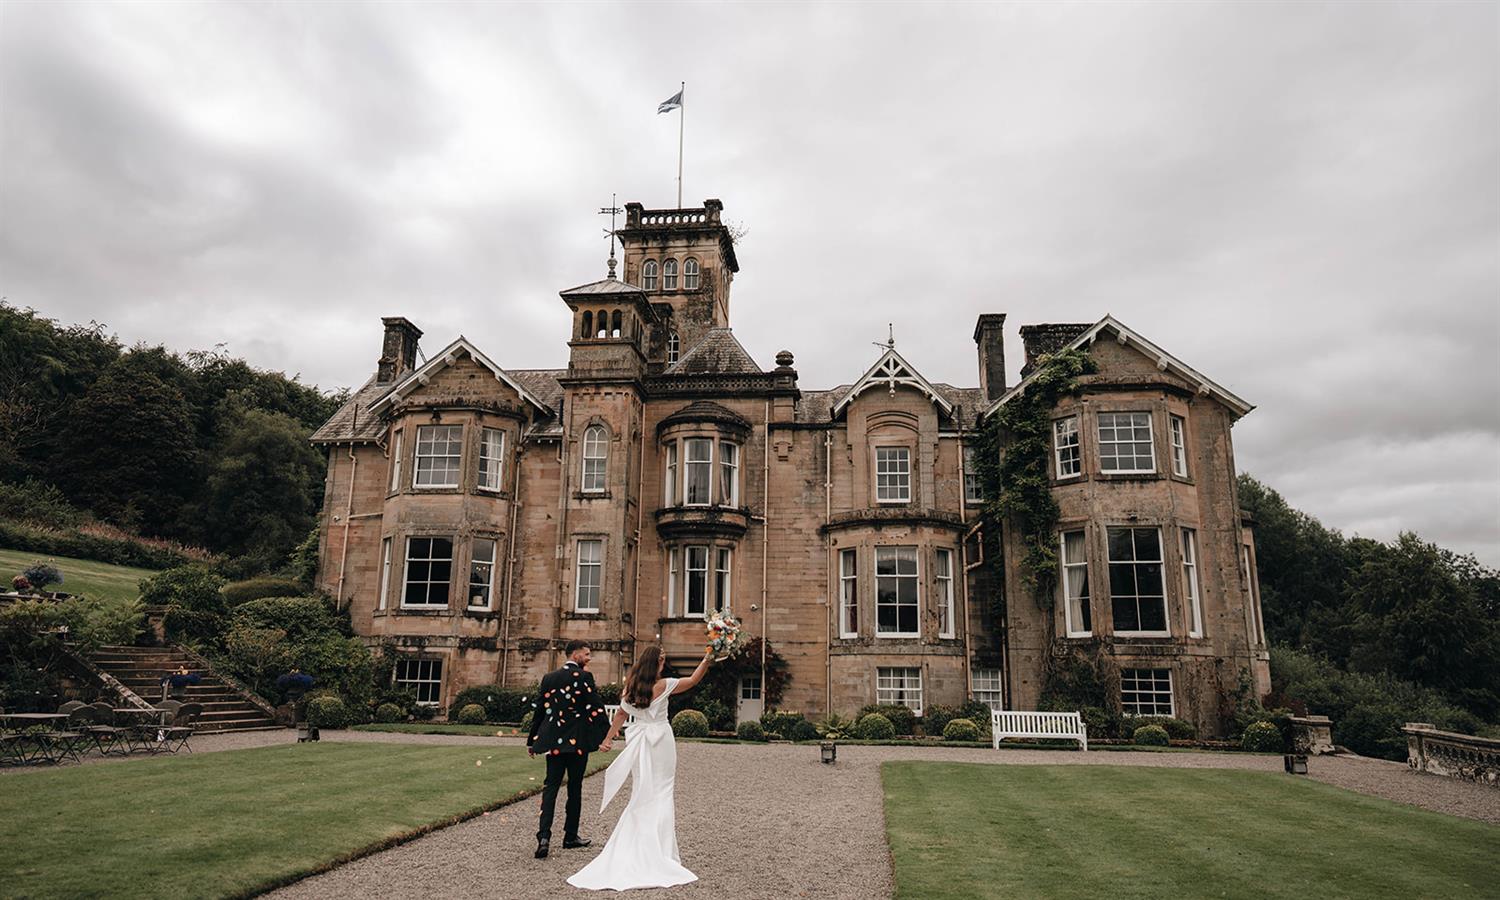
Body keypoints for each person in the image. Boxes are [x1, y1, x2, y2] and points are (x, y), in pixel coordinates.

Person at [567, 646, 714, 892]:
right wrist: (708, 658)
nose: (663, 664)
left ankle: (640, 843)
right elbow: (693, 680)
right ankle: (662, 851)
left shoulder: (631, 688)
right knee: (663, 792)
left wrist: (607, 739)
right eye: (662, 660)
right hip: (662, 742)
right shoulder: (664, 684)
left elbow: (621, 716)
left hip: (642, 743)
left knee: (643, 792)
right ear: (656, 663)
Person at [528, 639, 610, 859]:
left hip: (554, 744)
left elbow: (540, 712)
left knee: (551, 787)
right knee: (574, 787)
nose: (589, 658)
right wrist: (608, 733)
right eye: (586, 654)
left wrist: (532, 741)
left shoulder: (549, 678)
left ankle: (544, 836)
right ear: (575, 656)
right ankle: (570, 836)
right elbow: (596, 707)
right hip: (577, 743)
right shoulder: (584, 677)